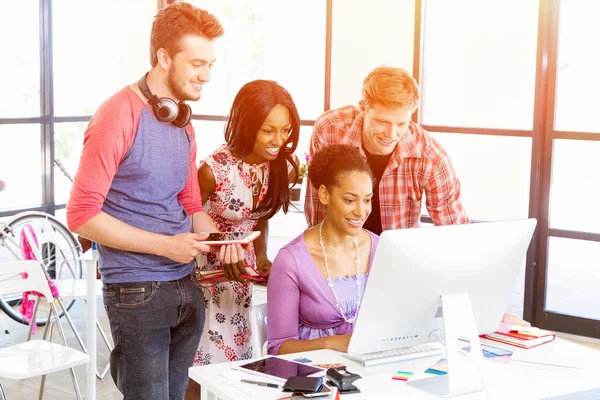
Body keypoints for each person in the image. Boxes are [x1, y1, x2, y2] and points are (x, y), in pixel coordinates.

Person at [66, 4, 233, 399]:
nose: (206, 75)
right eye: (196, 63)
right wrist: (166, 246)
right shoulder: (117, 116)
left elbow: (191, 203)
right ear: (163, 57)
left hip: (185, 287)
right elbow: (82, 215)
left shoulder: (181, 122)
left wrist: (220, 240)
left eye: (210, 64)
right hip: (136, 290)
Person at [195, 79, 300, 363]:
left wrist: (262, 256)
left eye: (285, 130)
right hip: (206, 276)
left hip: (242, 276)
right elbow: (186, 215)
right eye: (268, 131)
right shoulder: (212, 170)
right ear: (246, 124)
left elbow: (260, 218)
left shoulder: (281, 167)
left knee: (238, 358)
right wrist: (221, 247)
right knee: (201, 363)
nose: (279, 141)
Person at [305, 66, 469, 235]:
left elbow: (454, 232)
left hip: (398, 255)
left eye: (401, 124)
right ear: (362, 108)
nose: (391, 135)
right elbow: (318, 208)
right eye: (382, 122)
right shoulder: (330, 131)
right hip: (338, 251)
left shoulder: (431, 157)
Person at [267, 144, 378, 355]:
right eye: (349, 200)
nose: (361, 211)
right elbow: (278, 347)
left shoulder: (380, 249)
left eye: (367, 200)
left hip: (370, 372)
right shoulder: (291, 260)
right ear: (325, 195)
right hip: (315, 379)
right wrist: (330, 343)